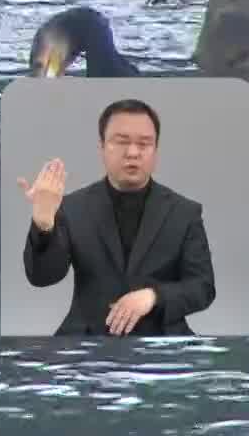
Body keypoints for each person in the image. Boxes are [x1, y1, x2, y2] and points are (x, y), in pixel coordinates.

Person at [18, 98, 217, 336]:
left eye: (144, 144)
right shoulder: (72, 208)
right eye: (121, 142)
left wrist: (154, 296)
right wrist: (43, 225)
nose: (132, 152)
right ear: (101, 147)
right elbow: (43, 278)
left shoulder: (185, 212)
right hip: (87, 340)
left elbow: (202, 287)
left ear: (156, 151)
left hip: (163, 341)